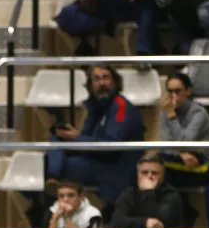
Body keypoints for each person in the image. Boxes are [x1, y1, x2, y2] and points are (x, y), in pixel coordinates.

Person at [44, 64, 145, 218]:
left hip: (116, 168)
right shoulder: (96, 106)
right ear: (91, 85)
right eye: (96, 79)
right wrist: (73, 137)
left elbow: (110, 147)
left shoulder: (121, 107)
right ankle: (53, 181)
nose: (101, 83)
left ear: (115, 82)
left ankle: (51, 192)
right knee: (57, 139)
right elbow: (87, 139)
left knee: (62, 163)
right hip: (97, 159)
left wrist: (76, 138)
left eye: (106, 77)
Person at [159, 72, 209, 189]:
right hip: (177, 161)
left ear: (188, 91)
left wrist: (172, 116)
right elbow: (165, 144)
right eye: (170, 92)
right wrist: (180, 154)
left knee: (160, 175)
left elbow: (184, 141)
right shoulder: (166, 111)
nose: (173, 96)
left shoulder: (199, 113)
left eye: (178, 91)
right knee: (152, 168)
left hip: (202, 165)